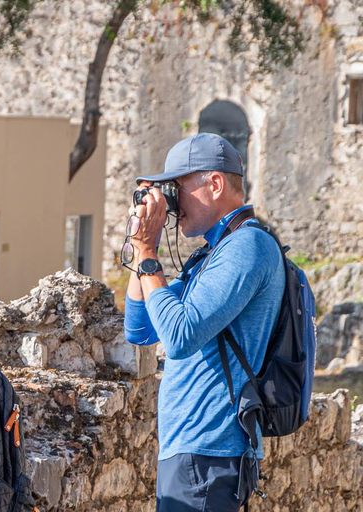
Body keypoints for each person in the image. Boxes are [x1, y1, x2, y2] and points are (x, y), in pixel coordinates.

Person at [122, 133, 285, 511]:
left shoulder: (248, 247)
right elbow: (141, 327)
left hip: (212, 451)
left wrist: (147, 253)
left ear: (214, 184)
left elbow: (179, 337)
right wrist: (147, 243)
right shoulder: (211, 255)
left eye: (178, 187)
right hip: (191, 451)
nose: (173, 201)